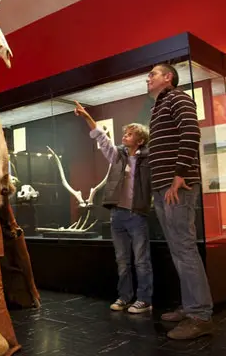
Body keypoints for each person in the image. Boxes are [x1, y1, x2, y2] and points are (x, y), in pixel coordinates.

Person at [146, 63, 214, 339]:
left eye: (153, 74)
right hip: (163, 187)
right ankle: (190, 306)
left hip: (177, 186)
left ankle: (200, 314)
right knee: (177, 248)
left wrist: (179, 175)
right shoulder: (158, 107)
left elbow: (191, 133)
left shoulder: (178, 97)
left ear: (168, 77)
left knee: (184, 247)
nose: (148, 79)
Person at [74, 102, 153, 314]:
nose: (125, 136)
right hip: (117, 215)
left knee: (141, 260)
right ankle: (125, 297)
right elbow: (102, 137)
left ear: (140, 139)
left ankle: (144, 299)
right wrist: (86, 117)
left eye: (129, 134)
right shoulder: (118, 155)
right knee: (122, 261)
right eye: (125, 133)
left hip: (137, 215)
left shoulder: (148, 159)